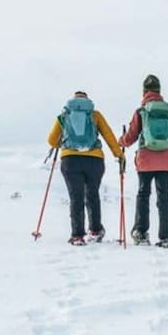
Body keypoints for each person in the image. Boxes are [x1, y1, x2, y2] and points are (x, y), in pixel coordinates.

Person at [47, 91, 125, 245]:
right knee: (92, 194)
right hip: (94, 160)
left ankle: (77, 235)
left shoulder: (64, 116)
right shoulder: (94, 115)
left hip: (70, 159)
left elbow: (51, 140)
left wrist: (61, 143)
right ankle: (95, 230)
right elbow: (108, 135)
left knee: (75, 197)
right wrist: (119, 155)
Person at [119, 74, 168, 248]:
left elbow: (131, 137)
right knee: (164, 198)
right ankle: (166, 237)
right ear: (159, 90)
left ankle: (141, 232)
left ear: (144, 91)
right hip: (165, 161)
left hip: (146, 160)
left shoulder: (141, 111)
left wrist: (121, 141)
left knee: (143, 195)